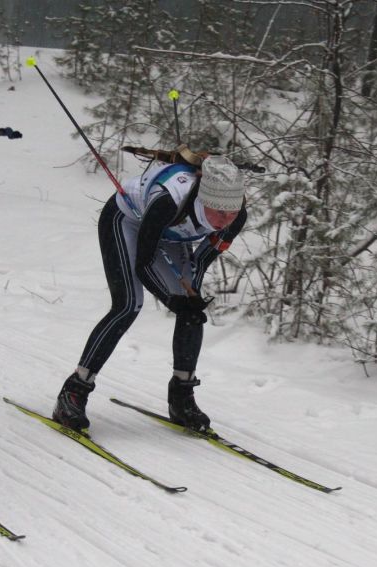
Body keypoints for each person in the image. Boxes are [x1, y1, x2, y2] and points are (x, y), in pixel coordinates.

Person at [52, 152, 247, 433]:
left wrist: (188, 301)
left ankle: (182, 397)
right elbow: (143, 263)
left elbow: (202, 260)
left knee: (192, 309)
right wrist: (172, 300)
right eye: (219, 213)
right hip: (128, 220)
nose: (225, 221)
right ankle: (73, 392)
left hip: (170, 234)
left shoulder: (235, 215)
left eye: (231, 214)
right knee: (128, 304)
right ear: (204, 200)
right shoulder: (170, 201)